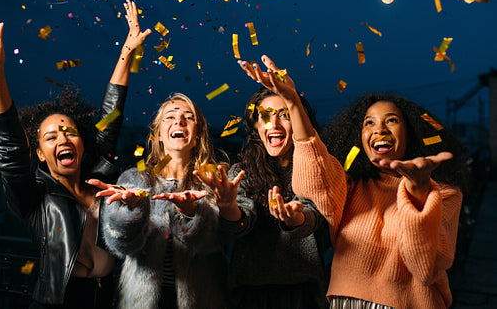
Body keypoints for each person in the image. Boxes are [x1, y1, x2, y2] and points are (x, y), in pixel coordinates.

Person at [0, 0, 152, 308]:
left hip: (108, 297)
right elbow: (12, 152)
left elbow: (110, 116)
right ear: (40, 154)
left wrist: (127, 52)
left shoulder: (101, 181)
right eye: (51, 137)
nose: (63, 138)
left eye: (70, 132)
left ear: (82, 145)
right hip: (58, 301)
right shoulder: (35, 199)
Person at [291, 91, 467, 308]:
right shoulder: (349, 186)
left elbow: (423, 268)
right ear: (359, 136)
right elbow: (312, 175)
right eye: (369, 122)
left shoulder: (445, 194)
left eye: (391, 120)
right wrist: (293, 103)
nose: (379, 129)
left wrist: (419, 192)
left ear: (411, 132)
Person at [195, 55, 330, 308]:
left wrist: (296, 219)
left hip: (304, 293)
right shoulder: (241, 171)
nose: (274, 124)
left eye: (284, 114)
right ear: (256, 125)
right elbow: (240, 224)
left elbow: (318, 217)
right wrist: (227, 204)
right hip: (250, 293)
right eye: (265, 116)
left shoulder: (315, 166)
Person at [90, 92, 230, 309]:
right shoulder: (133, 179)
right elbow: (120, 246)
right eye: (170, 117)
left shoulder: (213, 181)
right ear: (158, 135)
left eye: (188, 117)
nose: (179, 121)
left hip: (202, 299)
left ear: (198, 134)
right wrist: (131, 211)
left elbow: (216, 242)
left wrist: (191, 212)